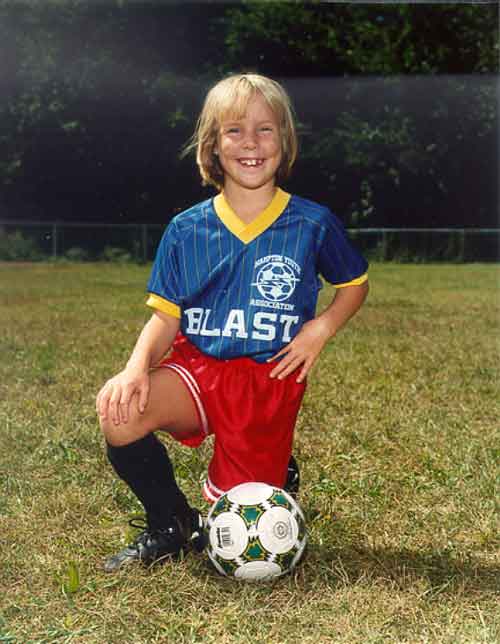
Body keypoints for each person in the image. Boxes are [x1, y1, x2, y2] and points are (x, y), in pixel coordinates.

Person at [96, 73, 369, 572]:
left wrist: (320, 328)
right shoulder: (186, 229)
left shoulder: (311, 222)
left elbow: (355, 284)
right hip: (198, 368)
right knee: (119, 412)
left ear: (284, 142)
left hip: (268, 381)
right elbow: (165, 316)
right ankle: (171, 525)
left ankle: (273, 472)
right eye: (234, 131)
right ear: (212, 146)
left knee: (245, 518)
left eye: (265, 130)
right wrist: (135, 367)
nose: (251, 143)